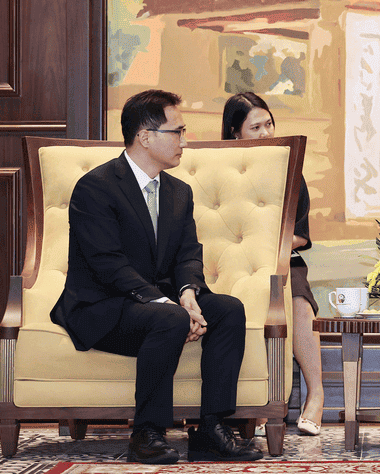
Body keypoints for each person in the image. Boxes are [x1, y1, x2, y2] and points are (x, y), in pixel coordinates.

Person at [50, 90, 264, 464]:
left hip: (158, 306)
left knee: (229, 309)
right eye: (177, 131)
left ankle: (211, 429)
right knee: (169, 317)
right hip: (103, 307)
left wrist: (189, 295)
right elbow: (108, 265)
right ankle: (146, 433)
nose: (184, 141)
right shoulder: (95, 187)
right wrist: (170, 305)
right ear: (145, 136)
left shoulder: (179, 192)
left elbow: (188, 254)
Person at [222, 92, 324, 436]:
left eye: (269, 124)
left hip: (282, 260)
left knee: (298, 301)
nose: (266, 132)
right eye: (256, 127)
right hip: (235, 265)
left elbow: (301, 235)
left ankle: (316, 396)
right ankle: (257, 402)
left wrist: (266, 252)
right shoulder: (221, 172)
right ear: (235, 133)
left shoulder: (290, 168)